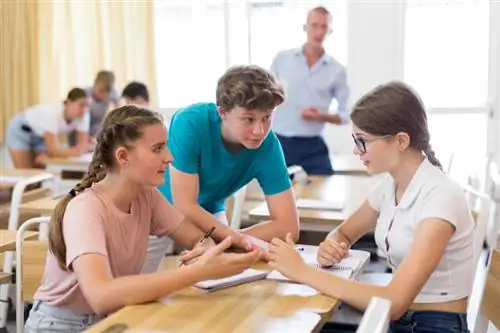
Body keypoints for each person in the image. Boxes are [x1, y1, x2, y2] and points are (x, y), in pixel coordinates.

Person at [24, 105, 262, 332]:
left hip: (112, 317)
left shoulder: (146, 196)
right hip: (61, 327)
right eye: (158, 148)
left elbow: (197, 238)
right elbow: (101, 296)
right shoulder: (86, 209)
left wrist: (205, 249)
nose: (169, 157)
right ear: (123, 156)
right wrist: (197, 271)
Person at [267, 81, 474, 333]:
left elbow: (395, 303)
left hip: (435, 325)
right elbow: (343, 232)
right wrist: (332, 246)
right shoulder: (390, 185)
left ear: (400, 140)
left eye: (362, 141)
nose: (356, 150)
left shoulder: (441, 196)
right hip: (402, 321)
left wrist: (301, 271)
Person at [149, 65, 299, 273]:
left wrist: (233, 240)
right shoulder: (190, 121)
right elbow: (185, 205)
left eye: (267, 117)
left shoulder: (269, 146)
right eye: (249, 119)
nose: (260, 130)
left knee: (222, 279)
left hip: (209, 210)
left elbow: (289, 226)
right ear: (223, 112)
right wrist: (237, 239)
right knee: (132, 286)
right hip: (156, 206)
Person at [270, 6, 349, 176]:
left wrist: (320, 116)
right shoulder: (282, 59)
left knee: (325, 191)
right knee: (277, 195)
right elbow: (265, 97)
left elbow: (345, 115)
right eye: (314, 25)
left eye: (324, 27)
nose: (318, 31)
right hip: (280, 143)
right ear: (305, 27)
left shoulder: (337, 70)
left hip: (313, 146)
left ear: (330, 31)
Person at [6, 87, 92, 168]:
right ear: (68, 102)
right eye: (81, 105)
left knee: (41, 170)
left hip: (40, 136)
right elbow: (55, 150)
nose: (84, 110)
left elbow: (81, 147)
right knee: (24, 172)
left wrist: (52, 154)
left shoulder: (84, 116)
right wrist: (57, 153)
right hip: (20, 131)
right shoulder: (53, 113)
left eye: (87, 106)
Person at [86, 70, 120, 137]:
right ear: (94, 84)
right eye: (100, 91)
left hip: (97, 131)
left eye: (107, 93)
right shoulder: (86, 94)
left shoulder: (112, 93)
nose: (103, 95)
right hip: (82, 130)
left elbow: (120, 111)